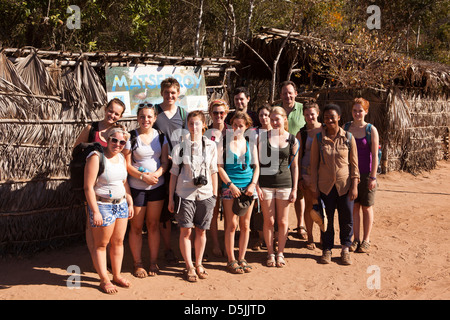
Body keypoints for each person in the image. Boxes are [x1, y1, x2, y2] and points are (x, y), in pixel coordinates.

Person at [83, 124, 134, 294]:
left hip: (120, 205)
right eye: (115, 140)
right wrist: (95, 211)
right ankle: (104, 279)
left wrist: (129, 201)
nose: (118, 144)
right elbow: (88, 187)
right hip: (103, 205)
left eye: (122, 142)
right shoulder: (96, 157)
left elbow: (123, 183)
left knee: (118, 242)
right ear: (107, 139)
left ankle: (117, 275)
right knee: (101, 244)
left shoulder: (121, 158)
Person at [73, 98, 126, 260]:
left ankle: (108, 259)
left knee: (110, 226)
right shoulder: (92, 129)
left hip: (110, 185)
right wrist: (94, 152)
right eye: (110, 111)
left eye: (117, 114)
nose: (112, 115)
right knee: (92, 223)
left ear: (120, 116)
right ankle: (96, 258)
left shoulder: (119, 131)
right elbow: (76, 149)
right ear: (105, 109)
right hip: (92, 184)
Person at [168, 111, 218, 282]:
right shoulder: (180, 147)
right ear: (187, 125)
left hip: (206, 193)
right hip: (184, 194)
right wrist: (170, 198)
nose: (194, 127)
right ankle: (189, 265)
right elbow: (174, 173)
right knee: (185, 230)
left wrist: (215, 195)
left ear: (204, 125)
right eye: (191, 123)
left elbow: (214, 171)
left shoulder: (211, 146)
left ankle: (199, 263)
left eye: (197, 123)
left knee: (201, 230)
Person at [123, 103, 169, 278]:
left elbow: (164, 162)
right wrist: (143, 177)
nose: (146, 120)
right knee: (135, 227)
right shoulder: (131, 137)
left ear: (155, 118)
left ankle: (153, 262)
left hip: (156, 187)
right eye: (142, 116)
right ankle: (138, 263)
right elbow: (127, 165)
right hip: (137, 188)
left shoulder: (162, 137)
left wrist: (156, 174)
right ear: (137, 118)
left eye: (149, 116)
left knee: (153, 225)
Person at [310, 104, 360, 265]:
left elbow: (354, 164)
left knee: (347, 219)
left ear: (339, 117)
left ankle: (345, 248)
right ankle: (327, 249)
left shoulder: (348, 138)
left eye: (332, 117)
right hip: (325, 186)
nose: (329, 120)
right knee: (326, 220)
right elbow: (314, 165)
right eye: (326, 118)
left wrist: (354, 185)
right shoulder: (319, 139)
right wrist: (315, 188)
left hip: (344, 186)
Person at [257, 106, 299, 268]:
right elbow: (258, 164)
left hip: (284, 184)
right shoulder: (262, 138)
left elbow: (294, 166)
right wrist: (258, 186)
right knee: (269, 221)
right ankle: (270, 253)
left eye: (277, 119)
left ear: (284, 119)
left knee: (282, 221)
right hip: (266, 185)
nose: (274, 122)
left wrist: (295, 188)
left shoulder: (293, 140)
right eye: (272, 119)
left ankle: (280, 252)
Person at [218, 112, 259, 274]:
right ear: (230, 126)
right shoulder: (224, 143)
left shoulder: (251, 144)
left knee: (245, 224)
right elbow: (220, 167)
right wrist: (230, 185)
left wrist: (253, 185)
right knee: (231, 224)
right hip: (230, 187)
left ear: (247, 126)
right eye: (235, 125)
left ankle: (242, 257)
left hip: (248, 187)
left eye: (241, 126)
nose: (237, 128)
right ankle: (231, 259)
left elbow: (256, 167)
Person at [153, 77, 188, 264]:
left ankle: (186, 249)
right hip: (159, 168)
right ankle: (167, 248)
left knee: (182, 206)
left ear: (178, 93)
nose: (170, 96)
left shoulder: (183, 114)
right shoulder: (154, 112)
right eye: (166, 92)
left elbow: (187, 139)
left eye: (173, 92)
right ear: (161, 93)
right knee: (164, 211)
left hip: (180, 167)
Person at [345, 98, 379, 253]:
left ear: (366, 111)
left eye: (360, 110)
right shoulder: (346, 128)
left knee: (367, 207)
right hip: (351, 174)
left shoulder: (371, 130)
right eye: (355, 110)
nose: (357, 113)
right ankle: (356, 239)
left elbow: (375, 155)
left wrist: (373, 177)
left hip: (366, 174)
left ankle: (366, 240)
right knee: (354, 207)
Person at [277, 81, 307, 240]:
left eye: (290, 92)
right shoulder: (277, 111)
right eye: (284, 93)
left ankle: (300, 224)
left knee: (299, 193)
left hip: (300, 156)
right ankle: (284, 226)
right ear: (280, 95)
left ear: (296, 93)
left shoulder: (302, 109)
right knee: (282, 193)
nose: (287, 96)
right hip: (280, 156)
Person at [296, 102, 323, 250]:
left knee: (322, 207)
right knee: (309, 206)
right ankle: (310, 237)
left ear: (317, 113)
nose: (309, 117)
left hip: (323, 175)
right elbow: (298, 157)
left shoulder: (325, 130)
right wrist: (299, 177)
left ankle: (323, 236)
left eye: (312, 114)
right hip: (307, 174)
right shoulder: (302, 133)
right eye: (306, 114)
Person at [205, 99, 230, 258]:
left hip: (228, 174)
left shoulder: (232, 131)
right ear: (210, 114)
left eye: (222, 112)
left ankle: (228, 244)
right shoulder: (205, 132)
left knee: (228, 212)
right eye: (215, 113)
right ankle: (214, 243)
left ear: (226, 113)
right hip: (211, 175)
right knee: (213, 210)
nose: (218, 115)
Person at [250, 104, 272, 251]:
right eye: (260, 115)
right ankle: (260, 238)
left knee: (273, 209)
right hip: (258, 173)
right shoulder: (255, 134)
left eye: (266, 115)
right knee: (259, 206)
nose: (263, 118)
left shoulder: (278, 133)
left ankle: (274, 238)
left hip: (274, 174)